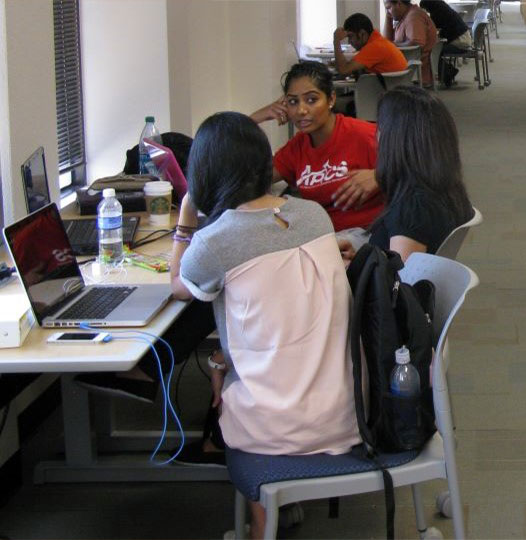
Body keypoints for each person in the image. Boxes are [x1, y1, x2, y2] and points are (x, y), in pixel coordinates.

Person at [172, 112, 360, 538]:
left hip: (276, 426)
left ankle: (263, 524)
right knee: (234, 359)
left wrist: (187, 213)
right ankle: (274, 509)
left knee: (229, 380)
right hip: (347, 410)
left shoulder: (214, 242)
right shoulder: (314, 215)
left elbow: (178, 285)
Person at [250, 61, 384, 245]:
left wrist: (380, 175)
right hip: (323, 236)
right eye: (293, 102)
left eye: (312, 100)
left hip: (369, 236)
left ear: (331, 99)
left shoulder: (363, 134)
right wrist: (253, 120)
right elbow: (249, 179)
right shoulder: (297, 147)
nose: (301, 110)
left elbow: (423, 165)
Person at [365, 86, 473, 261]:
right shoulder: (446, 187)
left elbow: (400, 282)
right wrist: (364, 259)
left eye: (379, 126)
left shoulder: (411, 209)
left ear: (394, 137)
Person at [383, 0, 439, 88]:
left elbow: (416, 44)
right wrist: (388, 17)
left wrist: (393, 45)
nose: (388, 12)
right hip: (408, 64)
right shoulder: (405, 16)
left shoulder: (413, 17)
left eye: (388, 8)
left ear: (398, 3)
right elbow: (386, 40)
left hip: (413, 69)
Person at [331, 13, 407, 76]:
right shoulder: (378, 41)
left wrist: (336, 41)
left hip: (386, 91)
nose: (349, 42)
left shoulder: (375, 47)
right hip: (393, 88)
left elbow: (344, 70)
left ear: (362, 34)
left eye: (350, 36)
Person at [419, 0, 473, 87]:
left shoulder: (438, 14)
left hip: (460, 42)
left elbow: (434, 29)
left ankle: (448, 73)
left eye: (426, 9)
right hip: (462, 39)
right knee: (434, 50)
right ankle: (448, 73)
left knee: (433, 52)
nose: (427, 12)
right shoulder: (442, 9)